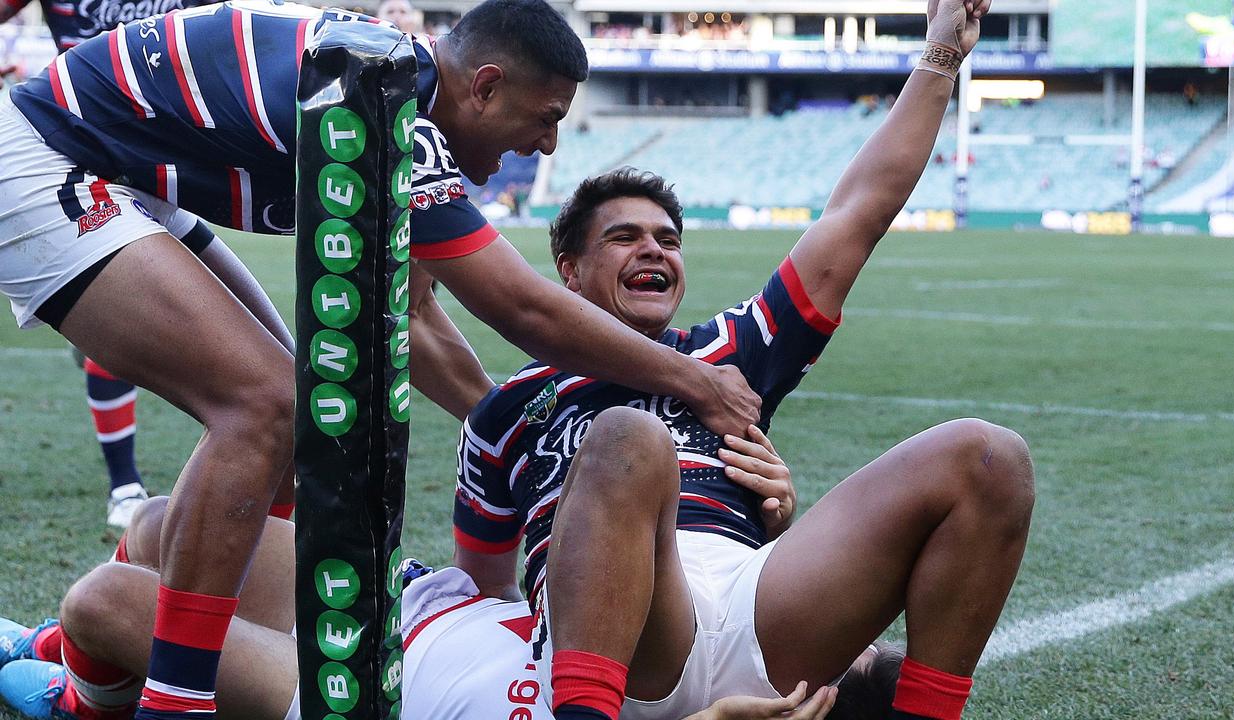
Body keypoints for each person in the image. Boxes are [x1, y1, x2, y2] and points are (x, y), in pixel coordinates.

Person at [0, 1, 759, 718]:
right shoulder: (395, 106)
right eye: (547, 118)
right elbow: (523, 308)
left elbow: (416, 314)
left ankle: (71, 673)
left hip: (117, 167)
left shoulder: (391, 84)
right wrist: (699, 382)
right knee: (267, 407)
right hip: (46, 155)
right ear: (486, 87)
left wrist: (514, 431)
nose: (548, 146)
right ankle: (175, 701)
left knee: (306, 424)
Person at [452, 3, 1034, 720]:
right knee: (628, 438)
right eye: (625, 238)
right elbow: (480, 593)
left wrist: (941, 54)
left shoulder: (729, 353)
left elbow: (856, 213)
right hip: (616, 645)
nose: (655, 251)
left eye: (668, 240)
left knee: (987, 457)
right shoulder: (505, 408)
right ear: (569, 269)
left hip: (754, 603)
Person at [0, 458, 864, 720]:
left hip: (363, 691)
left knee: (103, 604)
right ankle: (45, 652)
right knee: (161, 528)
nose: (854, 635)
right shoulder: (707, 659)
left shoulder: (710, 701)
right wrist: (768, 520)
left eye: (854, 657)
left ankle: (69, 697)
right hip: (423, 604)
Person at [0, 0, 291, 529]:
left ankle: (262, 580)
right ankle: (124, 487)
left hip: (143, 158)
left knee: (288, 390)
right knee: (267, 399)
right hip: (59, 144)